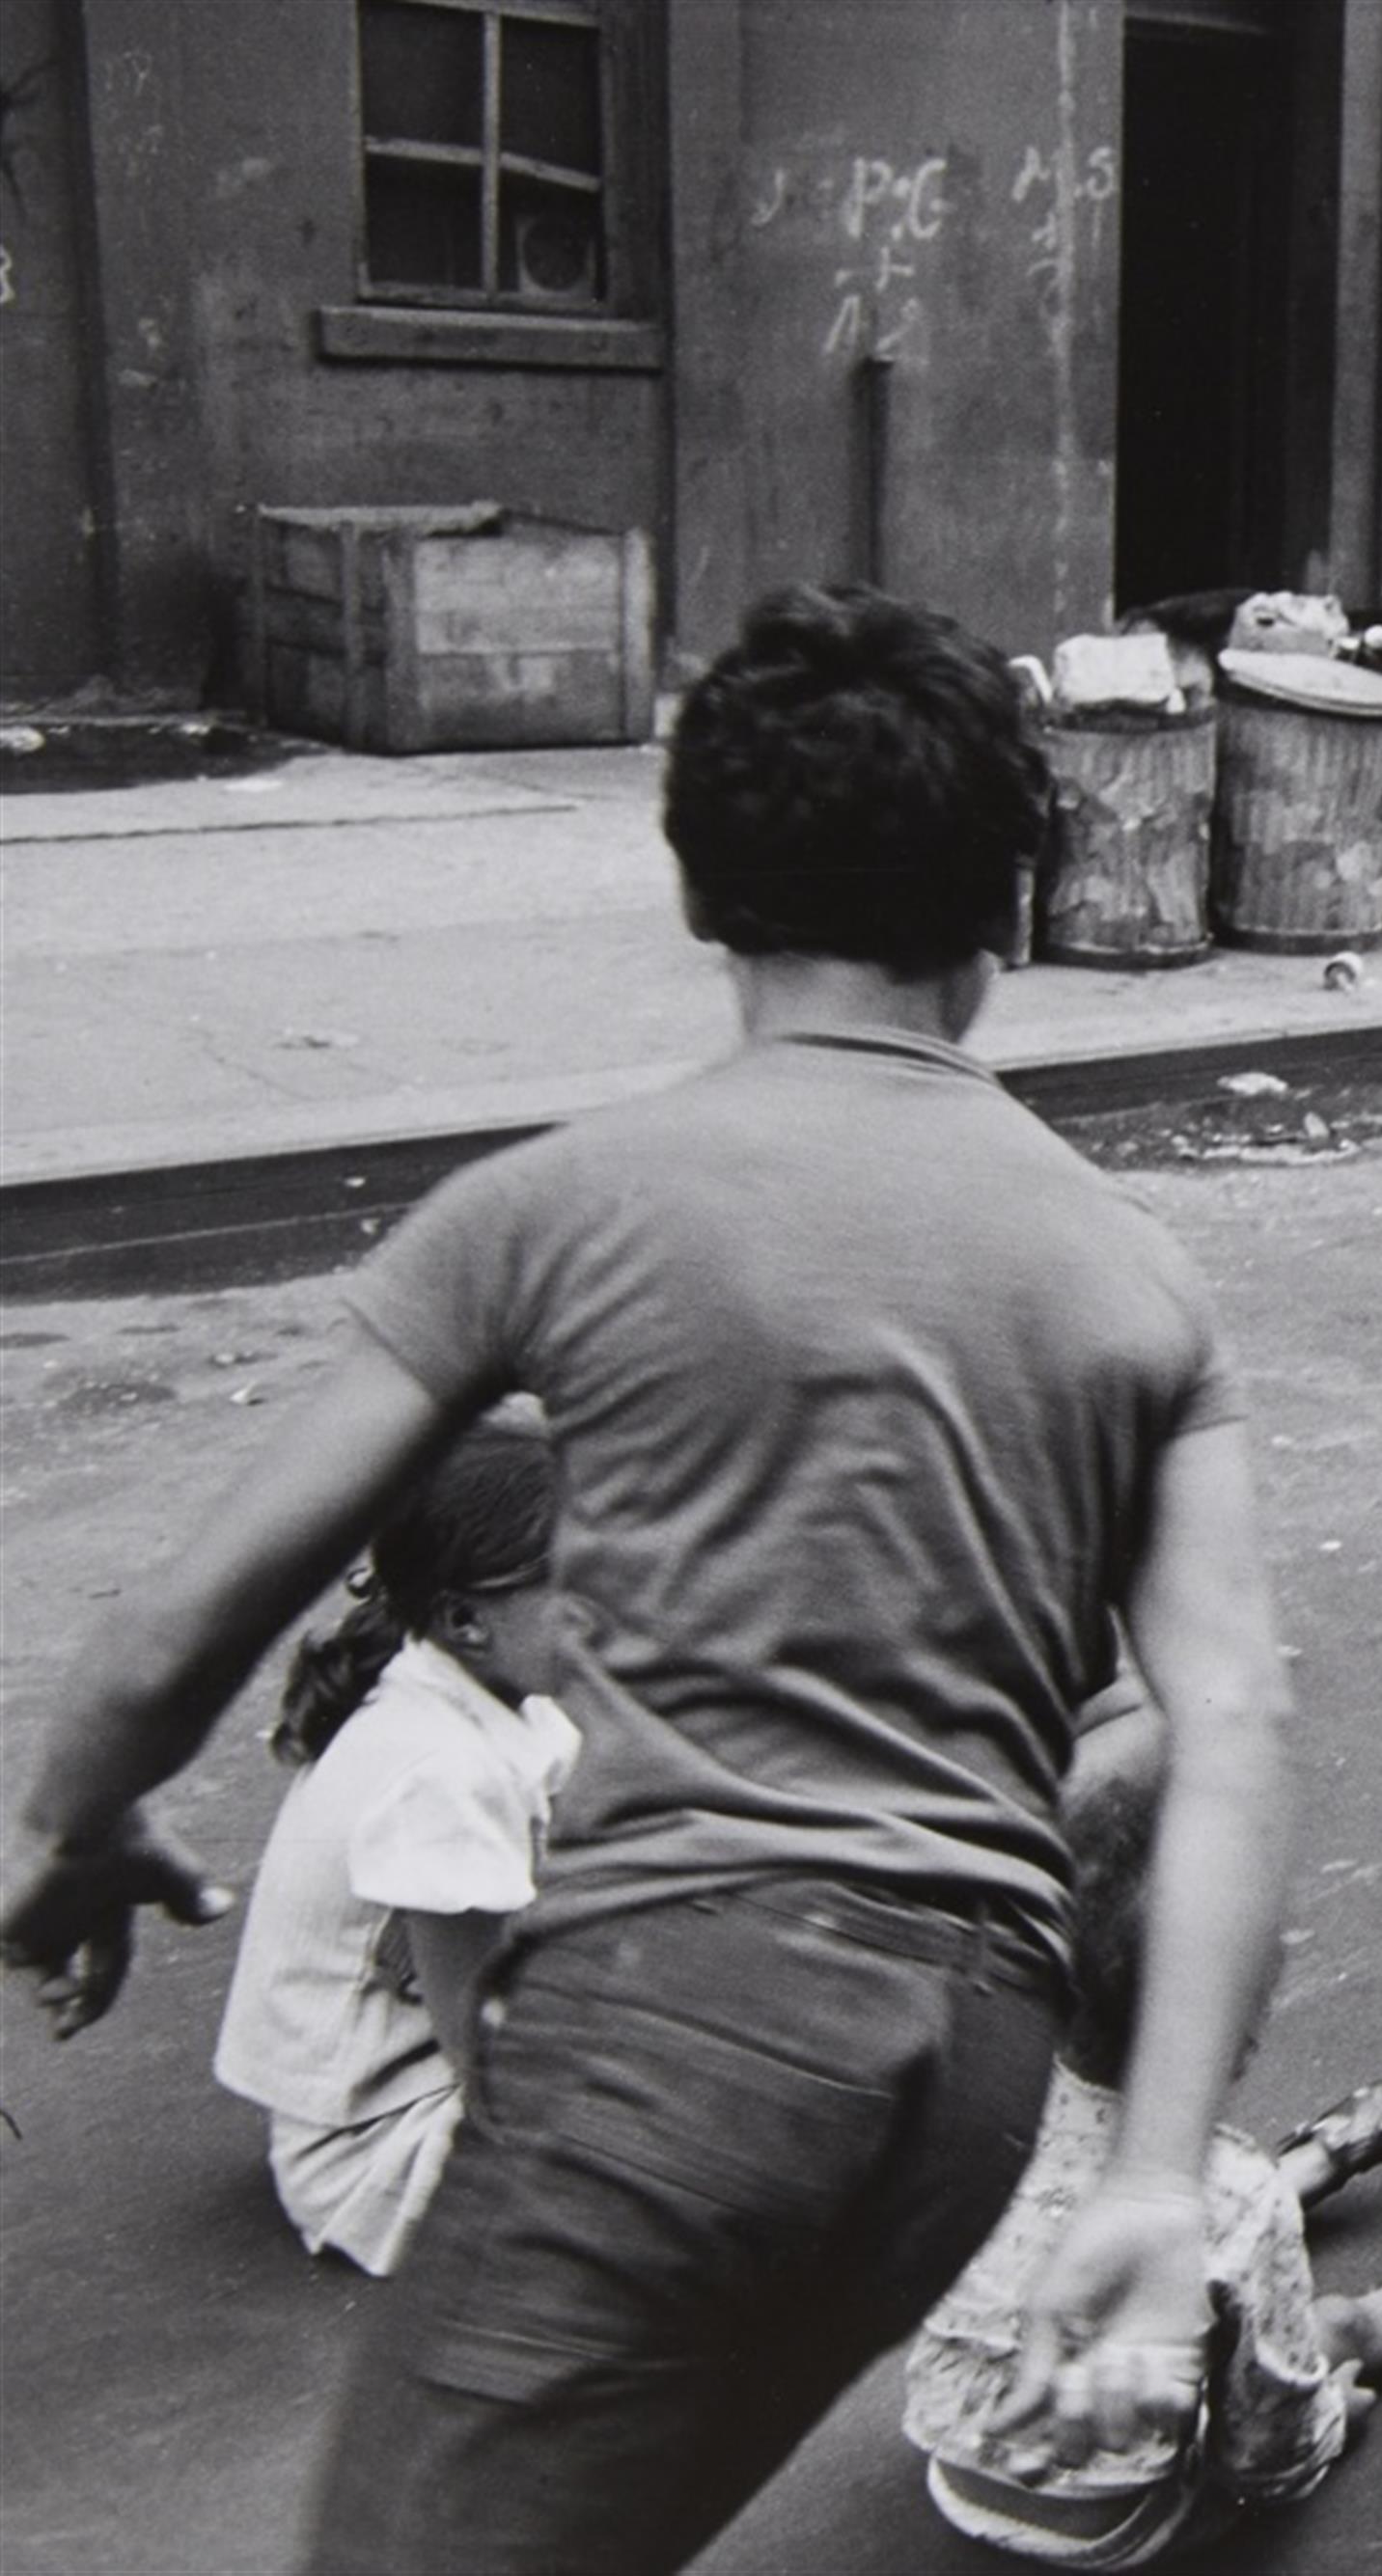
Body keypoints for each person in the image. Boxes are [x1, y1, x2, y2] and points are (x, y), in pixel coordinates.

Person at [1, 584, 1303, 2573]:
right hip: (967, 2071)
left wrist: (71, 1824)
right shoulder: (1135, 1271)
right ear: (1011, 906)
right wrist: (1141, 2166)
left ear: (699, 891)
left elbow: (185, 1620)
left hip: (690, 2018)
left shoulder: (559, 1206)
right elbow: (1230, 1727)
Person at [906, 1697, 1382, 2566]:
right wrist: (1333, 2419)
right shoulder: (1231, 2194)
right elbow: (1269, 2447)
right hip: (1117, 2525)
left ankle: (1312, 2165)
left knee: (1150, 2214)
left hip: (959, 2472)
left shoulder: (965, 2095)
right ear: (1243, 2016)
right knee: (1342, 2323)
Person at [212, 1414, 575, 2279]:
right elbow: (484, 2054)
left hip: (433, 2082)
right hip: (379, 2145)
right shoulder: (439, 1772)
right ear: (465, 1619)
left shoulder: (491, 1695)